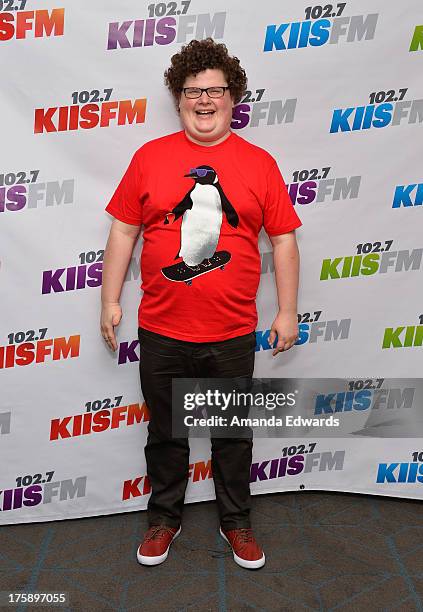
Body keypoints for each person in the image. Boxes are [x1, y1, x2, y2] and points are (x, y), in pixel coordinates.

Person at [100, 38, 301, 570]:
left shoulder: (258, 163)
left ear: (233, 97)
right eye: (193, 90)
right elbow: (123, 230)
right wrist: (109, 299)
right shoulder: (150, 158)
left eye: (215, 89)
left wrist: (287, 310)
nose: (204, 99)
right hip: (162, 328)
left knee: (232, 434)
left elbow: (283, 239)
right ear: (179, 98)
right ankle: (165, 518)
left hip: (231, 332)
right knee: (166, 433)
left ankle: (236, 522)